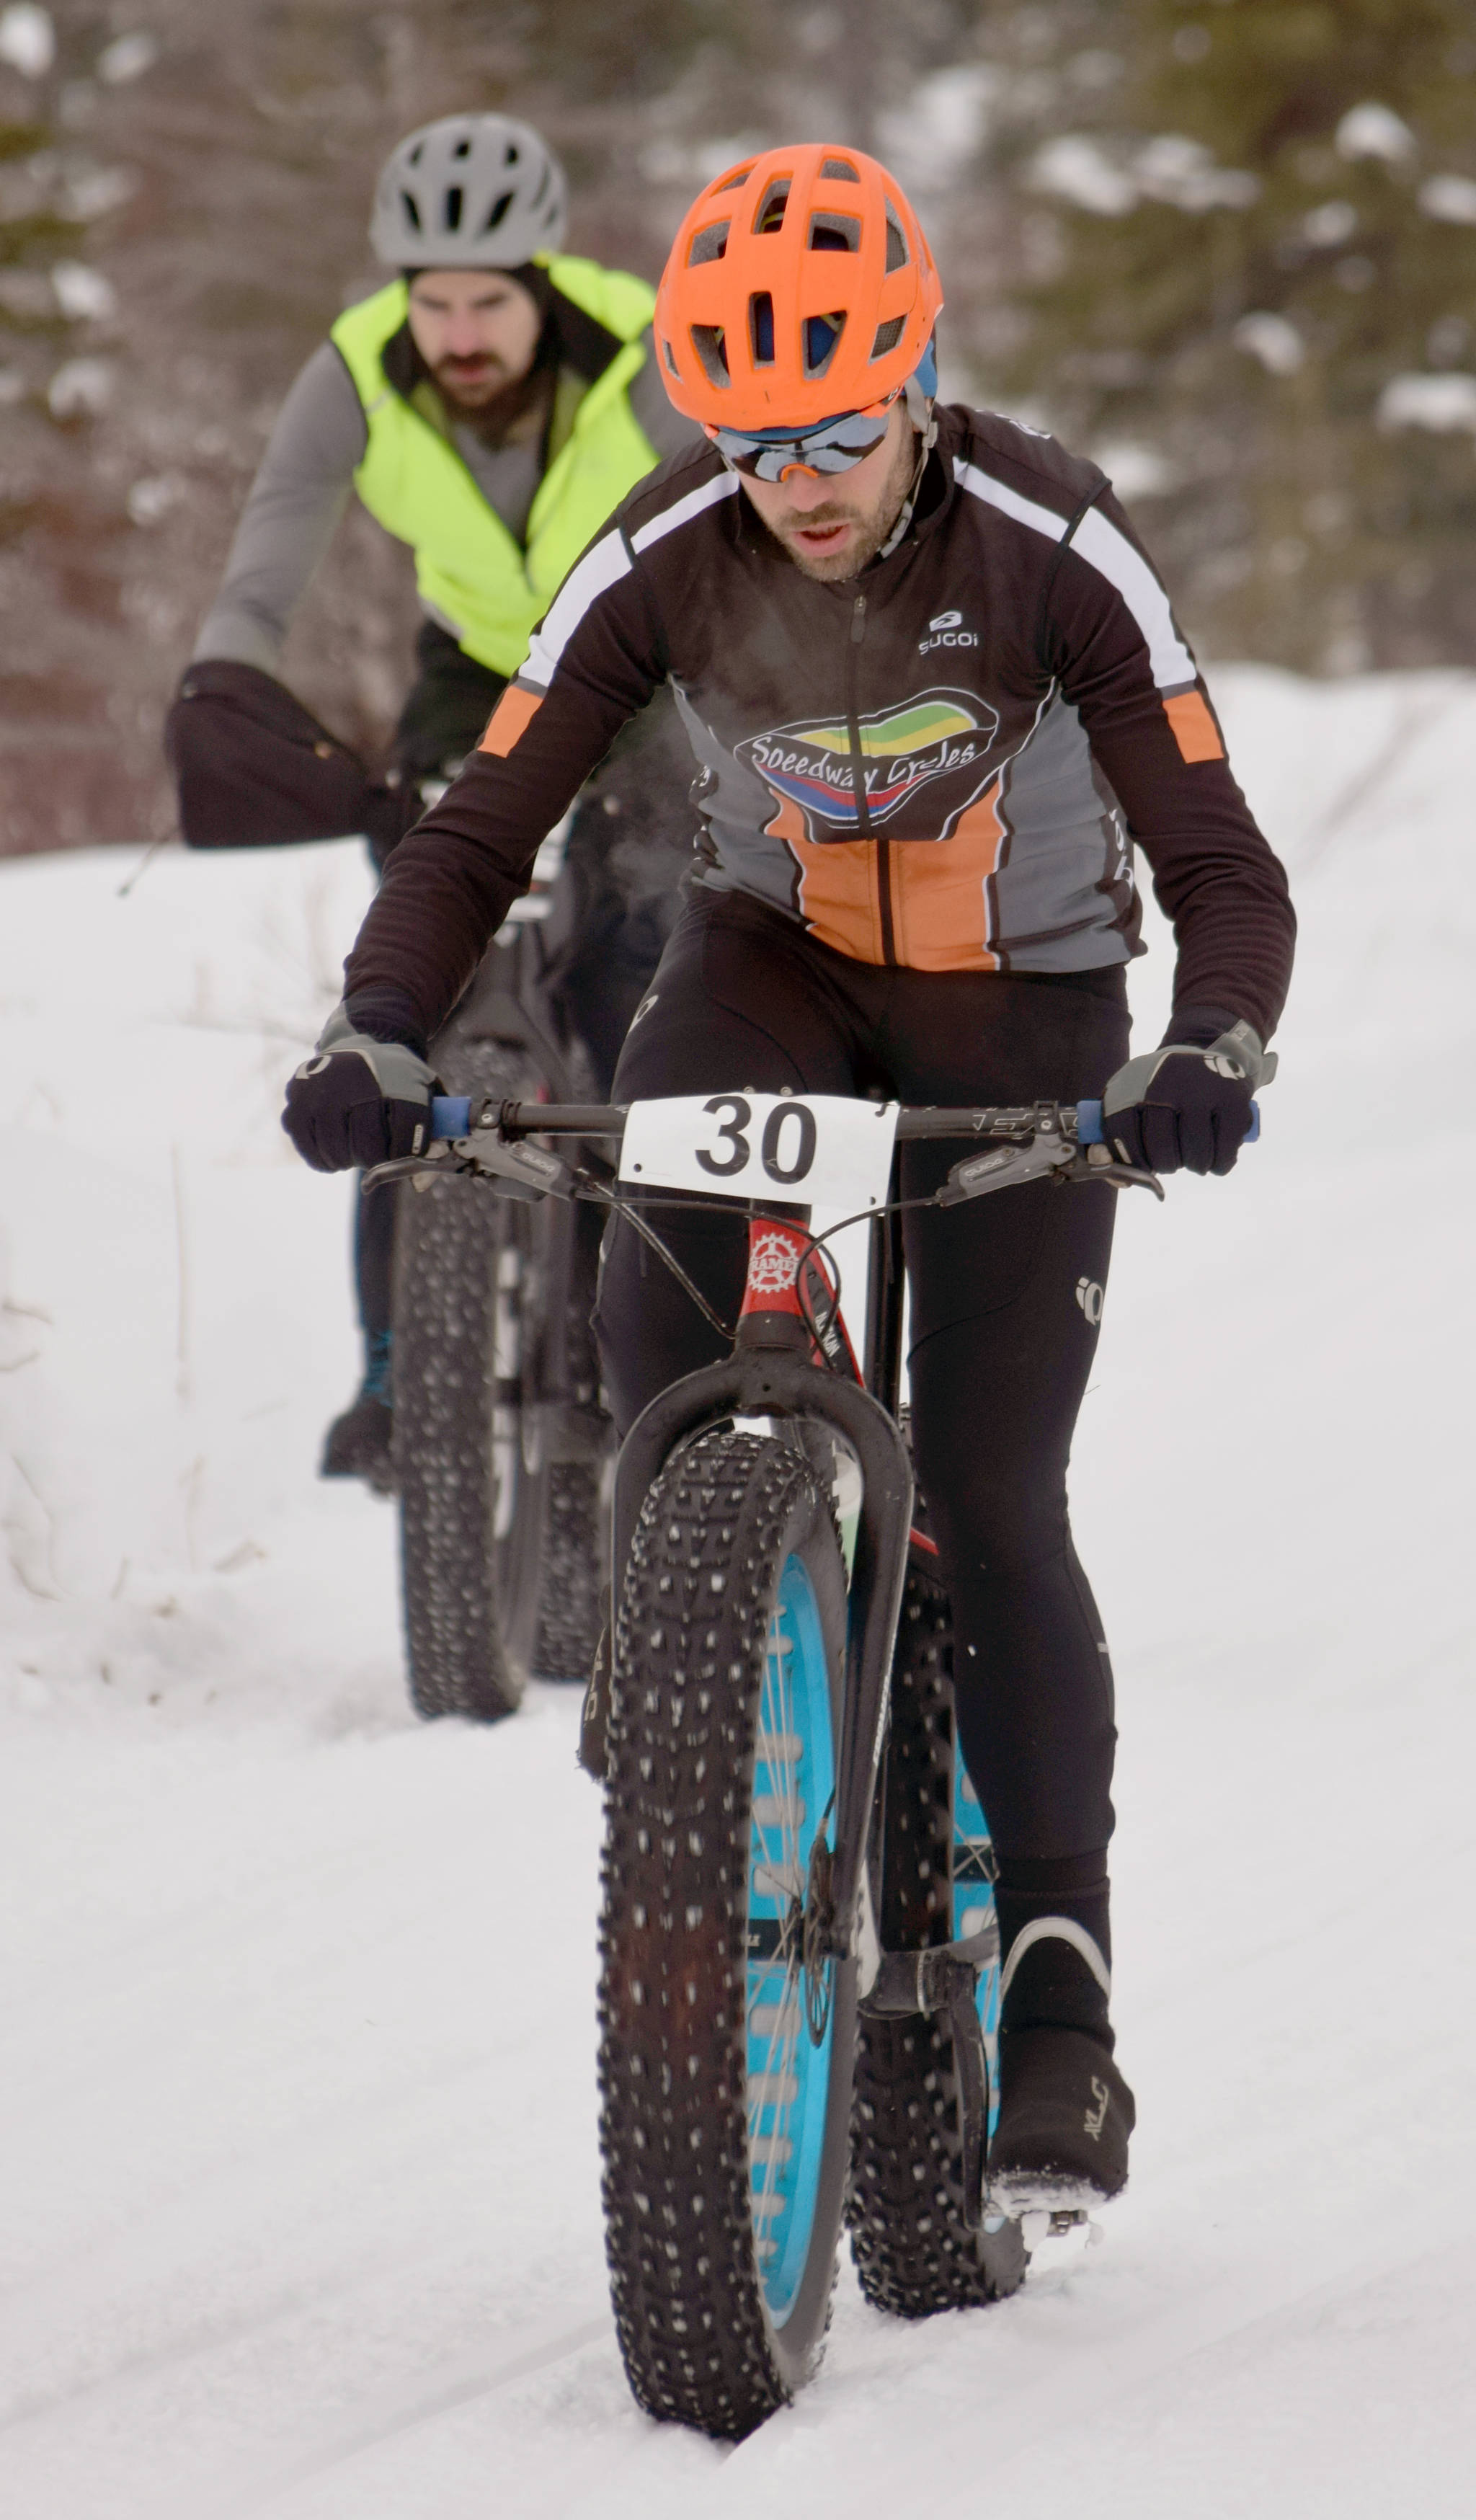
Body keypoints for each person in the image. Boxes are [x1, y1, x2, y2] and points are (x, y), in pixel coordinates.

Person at [281, 146, 1295, 2215]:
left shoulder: (1052, 539)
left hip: (1027, 1002)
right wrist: (376, 1023)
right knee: (651, 1313)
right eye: (753, 439)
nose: (800, 479)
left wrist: (1214, 1045)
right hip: (774, 973)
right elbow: (484, 823)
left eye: (840, 430)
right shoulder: (665, 545)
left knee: (998, 1490)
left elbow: (1220, 860)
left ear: (919, 380)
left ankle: (1062, 1985)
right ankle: (703, 1694)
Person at [166, 113, 699, 1486]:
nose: (459, 332)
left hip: (637, 667)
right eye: (434, 300)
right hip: (477, 672)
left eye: (487, 301)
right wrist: (229, 680)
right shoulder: (355, 371)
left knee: (626, 974)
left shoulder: (645, 352)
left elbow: (721, 521)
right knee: (409, 993)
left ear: (544, 283)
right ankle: (397, 1369)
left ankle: (618, 1337)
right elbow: (273, 543)